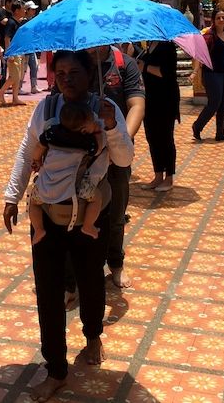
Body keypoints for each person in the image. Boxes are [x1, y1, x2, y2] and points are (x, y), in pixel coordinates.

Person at [3, 50, 134, 402]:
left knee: (91, 279)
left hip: (89, 216)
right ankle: (55, 368)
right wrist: (12, 196)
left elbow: (124, 159)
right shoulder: (45, 110)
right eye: (59, 72)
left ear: (90, 74)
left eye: (74, 72)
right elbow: (26, 150)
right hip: (48, 212)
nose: (66, 78)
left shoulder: (106, 110)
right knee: (47, 290)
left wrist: (111, 127)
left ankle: (93, 334)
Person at [85, 44, 144, 290]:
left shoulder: (124, 64)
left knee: (116, 212)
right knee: (82, 211)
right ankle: (84, 265)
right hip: (84, 154)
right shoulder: (76, 61)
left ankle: (116, 263)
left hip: (117, 152)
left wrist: (120, 141)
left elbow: (137, 105)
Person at [28, 100, 107, 244]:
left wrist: (36, 160)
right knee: (97, 198)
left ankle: (38, 229)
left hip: (46, 187)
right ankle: (88, 225)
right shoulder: (87, 141)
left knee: (33, 203)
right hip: (74, 188)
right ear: (83, 130)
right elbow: (99, 148)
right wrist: (97, 131)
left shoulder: (51, 133)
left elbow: (39, 147)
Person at [135, 40, 179, 192]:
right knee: (152, 137)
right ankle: (158, 175)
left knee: (165, 137)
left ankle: (169, 177)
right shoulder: (148, 46)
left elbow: (166, 72)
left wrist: (145, 67)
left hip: (165, 98)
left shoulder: (167, 46)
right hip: (150, 98)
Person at [192, 9, 224, 142]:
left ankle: (220, 133)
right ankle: (197, 126)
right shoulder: (209, 36)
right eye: (219, 18)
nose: (222, 20)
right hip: (211, 73)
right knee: (214, 103)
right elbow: (199, 54)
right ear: (214, 20)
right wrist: (195, 71)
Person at [0, 0, 27, 107]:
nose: (24, 11)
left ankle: (15, 98)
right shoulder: (11, 22)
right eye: (23, 9)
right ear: (17, 10)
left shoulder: (17, 22)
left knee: (17, 77)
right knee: (14, 77)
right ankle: (1, 92)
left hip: (18, 52)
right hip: (13, 53)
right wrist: (9, 53)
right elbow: (7, 38)